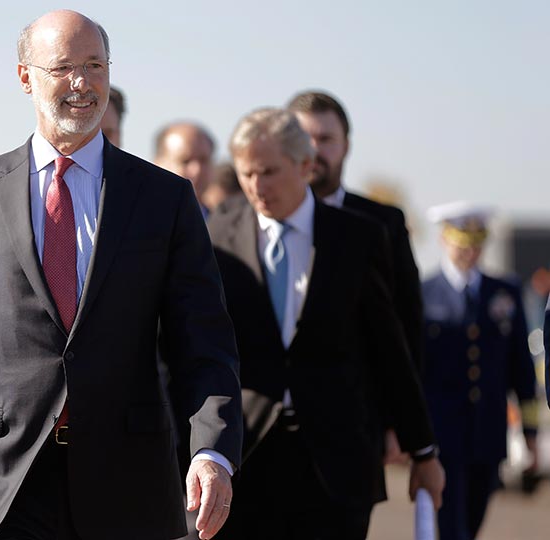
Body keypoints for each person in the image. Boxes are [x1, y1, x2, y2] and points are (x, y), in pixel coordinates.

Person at [0, 10, 241, 540]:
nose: (82, 82)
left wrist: (212, 450)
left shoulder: (164, 199)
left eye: (95, 65)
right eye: (63, 68)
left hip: (125, 487)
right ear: (25, 77)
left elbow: (204, 342)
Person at [207, 108, 444, 539]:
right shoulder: (217, 233)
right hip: (246, 457)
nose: (257, 186)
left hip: (337, 463)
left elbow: (389, 349)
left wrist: (423, 451)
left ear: (305, 165)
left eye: (269, 171)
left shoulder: (357, 238)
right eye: (247, 173)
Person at [288, 90, 426, 462]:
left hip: (357, 426)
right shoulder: (254, 225)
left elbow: (406, 325)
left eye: (326, 139)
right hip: (269, 433)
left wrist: (401, 422)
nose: (314, 150)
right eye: (304, 138)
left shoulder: (382, 224)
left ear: (346, 146)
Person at [422, 201, 539, 540]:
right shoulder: (425, 293)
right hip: (441, 435)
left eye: (476, 244)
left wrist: (530, 434)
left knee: (472, 522)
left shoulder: (504, 291)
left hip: (487, 432)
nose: (470, 252)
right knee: (451, 527)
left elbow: (521, 368)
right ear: (444, 239)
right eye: (462, 243)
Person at [153, 122, 216, 217]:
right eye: (185, 161)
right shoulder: (140, 220)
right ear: (158, 165)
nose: (197, 170)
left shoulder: (223, 223)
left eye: (203, 160)